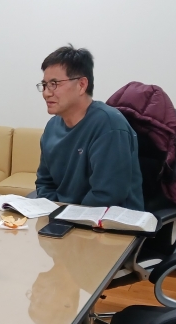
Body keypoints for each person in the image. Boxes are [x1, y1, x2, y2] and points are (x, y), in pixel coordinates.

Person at [35, 45, 144, 210]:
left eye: (54, 84)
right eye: (44, 85)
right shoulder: (52, 127)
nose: (46, 93)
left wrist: (66, 216)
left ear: (81, 85)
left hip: (109, 219)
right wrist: (52, 210)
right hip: (65, 214)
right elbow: (44, 182)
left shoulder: (109, 125)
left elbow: (107, 195)